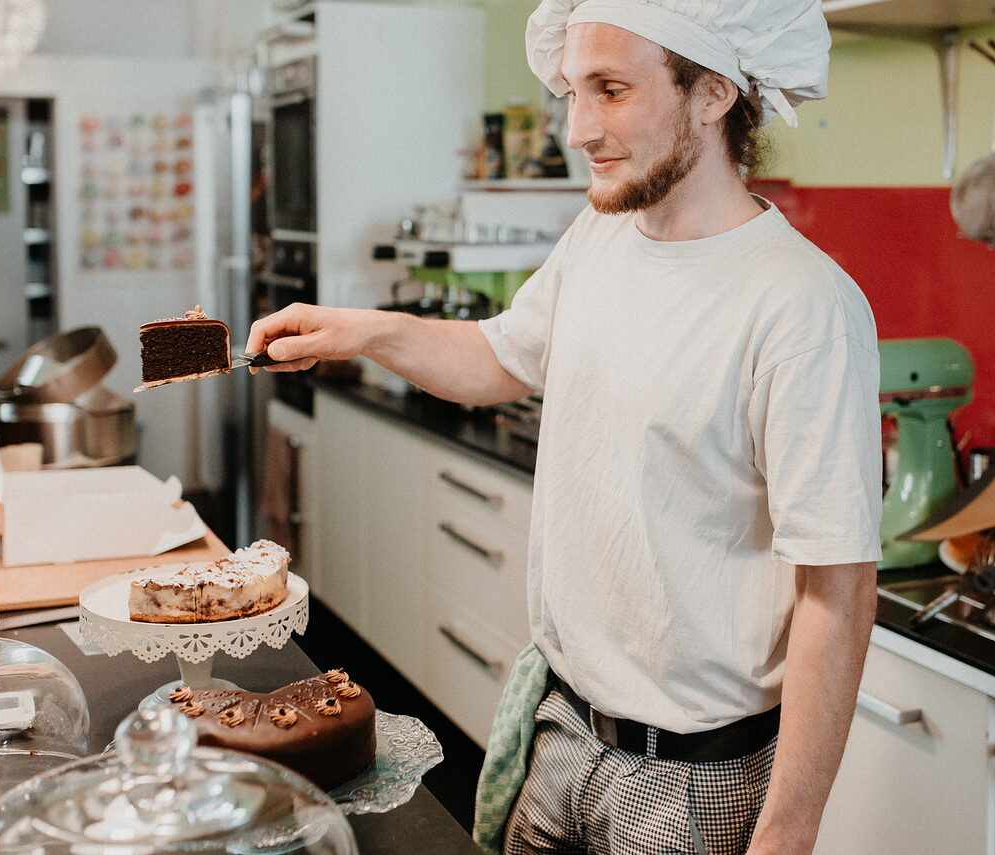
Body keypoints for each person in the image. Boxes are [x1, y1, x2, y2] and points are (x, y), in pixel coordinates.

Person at [245, 1, 882, 852]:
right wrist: (360, 329)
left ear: (713, 94)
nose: (578, 127)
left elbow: (837, 593)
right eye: (573, 92)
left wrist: (789, 831)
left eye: (611, 90)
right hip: (560, 732)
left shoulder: (800, 305)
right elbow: (503, 357)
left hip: (692, 782)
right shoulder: (601, 236)